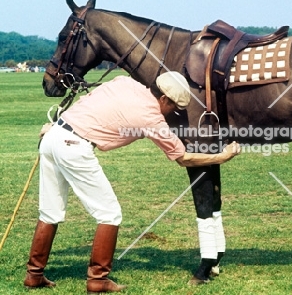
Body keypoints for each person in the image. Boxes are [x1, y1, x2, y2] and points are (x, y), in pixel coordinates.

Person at [24, 72, 241, 293]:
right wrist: (221, 157)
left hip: (53, 136)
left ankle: (34, 275)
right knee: (109, 214)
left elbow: (87, 101)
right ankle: (98, 279)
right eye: (173, 107)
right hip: (74, 146)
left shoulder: (125, 82)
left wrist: (58, 124)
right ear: (164, 99)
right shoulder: (152, 119)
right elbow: (183, 158)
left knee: (50, 212)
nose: (172, 113)